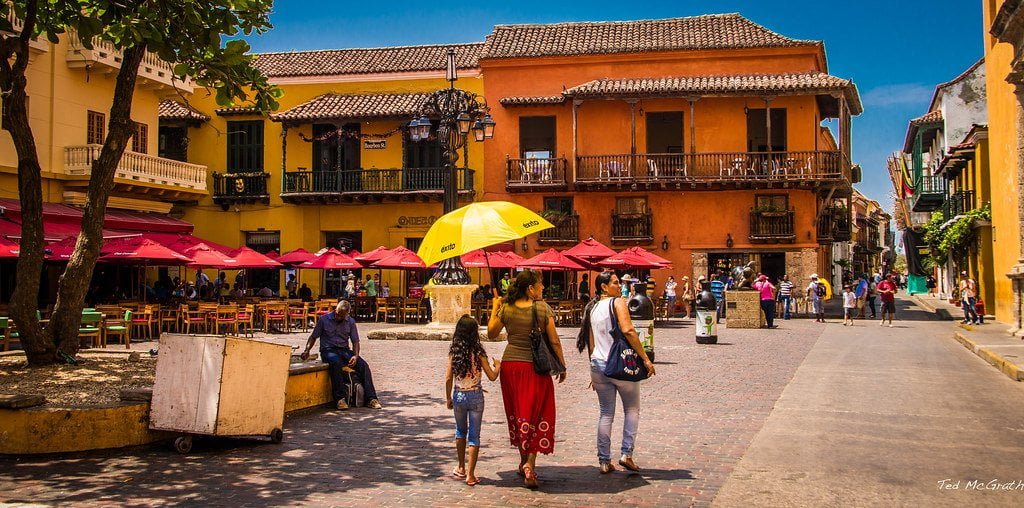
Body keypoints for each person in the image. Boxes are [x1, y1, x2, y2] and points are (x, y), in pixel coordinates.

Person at [487, 269, 567, 489]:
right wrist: (561, 365)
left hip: (511, 366)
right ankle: (530, 465)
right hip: (535, 368)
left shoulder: (507, 308)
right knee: (536, 413)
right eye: (540, 285)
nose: (543, 288)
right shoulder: (542, 308)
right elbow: (555, 341)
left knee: (518, 414)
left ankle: (524, 461)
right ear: (530, 288)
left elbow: (492, 333)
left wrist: (495, 309)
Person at [577, 271, 656, 474]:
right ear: (604, 287)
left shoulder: (592, 308)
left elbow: (591, 342)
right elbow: (628, 330)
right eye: (615, 282)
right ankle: (626, 454)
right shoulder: (618, 302)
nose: (619, 285)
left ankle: (604, 461)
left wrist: (592, 370)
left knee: (605, 414)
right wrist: (645, 359)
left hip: (598, 365)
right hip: (620, 364)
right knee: (632, 410)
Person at [445, 315, 500, 486]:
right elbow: (491, 377)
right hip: (476, 395)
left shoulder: (455, 352)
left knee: (460, 431)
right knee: (474, 436)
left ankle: (461, 466)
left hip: (459, 394)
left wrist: (448, 398)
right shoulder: (479, 352)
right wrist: (497, 367)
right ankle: (471, 474)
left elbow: (448, 378)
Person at [301, 300, 382, 410]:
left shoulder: (350, 322)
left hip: (344, 350)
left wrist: (355, 355)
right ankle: (340, 399)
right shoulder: (324, 320)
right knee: (336, 363)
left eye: (342, 316)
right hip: (328, 350)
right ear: (336, 310)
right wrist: (307, 350)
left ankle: (371, 398)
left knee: (363, 365)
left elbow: (355, 341)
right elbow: (313, 336)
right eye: (337, 314)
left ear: (347, 314)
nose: (338, 317)